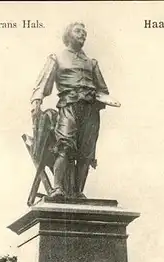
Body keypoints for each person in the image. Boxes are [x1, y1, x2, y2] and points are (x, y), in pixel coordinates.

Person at [30, 22, 110, 199]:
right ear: (68, 35)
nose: (83, 34)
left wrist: (102, 99)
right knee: (64, 145)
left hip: (90, 110)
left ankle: (78, 191)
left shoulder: (91, 63)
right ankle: (57, 188)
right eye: (78, 31)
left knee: (86, 153)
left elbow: (103, 90)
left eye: (84, 31)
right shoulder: (57, 58)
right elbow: (44, 82)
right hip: (69, 106)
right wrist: (37, 101)